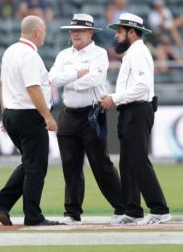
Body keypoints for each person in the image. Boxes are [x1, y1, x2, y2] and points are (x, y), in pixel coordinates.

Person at [48, 13, 125, 225]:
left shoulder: (99, 54)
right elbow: (52, 78)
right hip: (69, 112)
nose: (75, 34)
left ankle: (122, 208)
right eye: (73, 30)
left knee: (101, 165)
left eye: (80, 30)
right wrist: (77, 75)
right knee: (70, 165)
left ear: (90, 32)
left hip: (92, 113)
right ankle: (72, 212)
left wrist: (69, 79)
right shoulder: (64, 54)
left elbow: (96, 78)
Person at [100, 13, 172, 225]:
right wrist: (116, 98)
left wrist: (114, 98)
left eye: (119, 33)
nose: (116, 37)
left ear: (132, 32)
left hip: (137, 110)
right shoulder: (134, 52)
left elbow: (141, 87)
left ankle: (160, 209)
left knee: (139, 161)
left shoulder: (138, 53)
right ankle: (132, 210)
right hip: (130, 110)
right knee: (128, 162)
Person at [0, 15, 60, 227]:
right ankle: (32, 215)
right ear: (37, 32)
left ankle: (3, 200)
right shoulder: (30, 56)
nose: (45, 34)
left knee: (31, 164)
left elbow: (3, 84)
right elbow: (33, 88)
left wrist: (5, 112)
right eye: (44, 30)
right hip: (29, 115)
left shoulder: (9, 51)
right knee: (36, 167)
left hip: (12, 113)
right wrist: (47, 116)